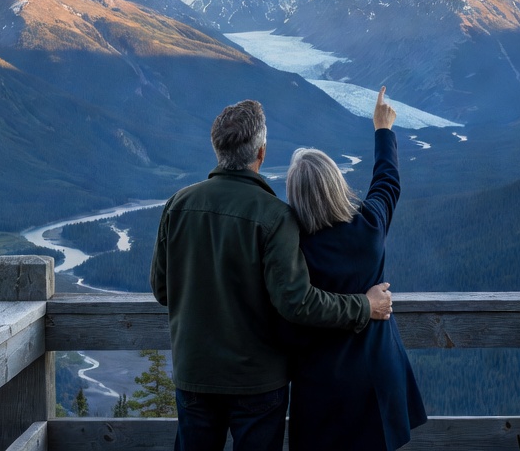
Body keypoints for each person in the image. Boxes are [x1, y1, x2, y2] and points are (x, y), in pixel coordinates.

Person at [150, 99, 394, 451]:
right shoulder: (276, 216)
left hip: (195, 374)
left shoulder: (178, 204)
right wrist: (363, 306)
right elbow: (297, 302)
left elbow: (162, 289)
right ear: (261, 153)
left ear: (217, 149)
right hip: (257, 382)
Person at [285, 87, 428, 451]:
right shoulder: (369, 224)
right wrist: (383, 128)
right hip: (376, 375)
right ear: (336, 183)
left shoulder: (292, 244)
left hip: (320, 382)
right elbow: (387, 181)